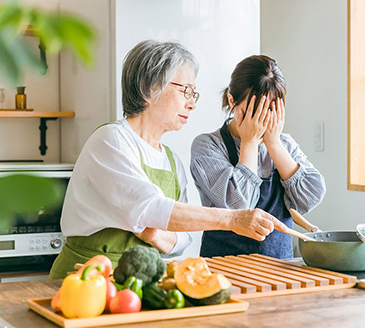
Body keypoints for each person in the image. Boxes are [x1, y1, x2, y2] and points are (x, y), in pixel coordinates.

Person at [49, 41, 286, 279]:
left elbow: (183, 238)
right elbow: (150, 208)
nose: (192, 104)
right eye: (185, 91)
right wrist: (233, 219)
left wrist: (155, 236)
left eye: (194, 94)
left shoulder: (171, 160)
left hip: (142, 280)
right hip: (86, 277)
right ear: (150, 89)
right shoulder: (111, 139)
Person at [190, 55, 326, 259]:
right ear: (231, 100)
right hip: (222, 268)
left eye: (269, 111)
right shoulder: (207, 145)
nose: (260, 121)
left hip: (279, 269)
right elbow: (239, 206)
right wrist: (250, 142)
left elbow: (310, 198)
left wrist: (274, 144)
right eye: (254, 111)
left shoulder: (285, 144)